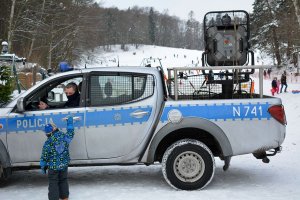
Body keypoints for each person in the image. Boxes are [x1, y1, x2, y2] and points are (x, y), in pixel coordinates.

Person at [40, 116, 74, 200]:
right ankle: (64, 197)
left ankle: (54, 198)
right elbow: (70, 133)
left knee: (53, 182)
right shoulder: (63, 137)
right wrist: (69, 123)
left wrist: (43, 166)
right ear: (55, 129)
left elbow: (44, 156)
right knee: (63, 180)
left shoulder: (48, 142)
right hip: (63, 164)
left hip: (53, 166)